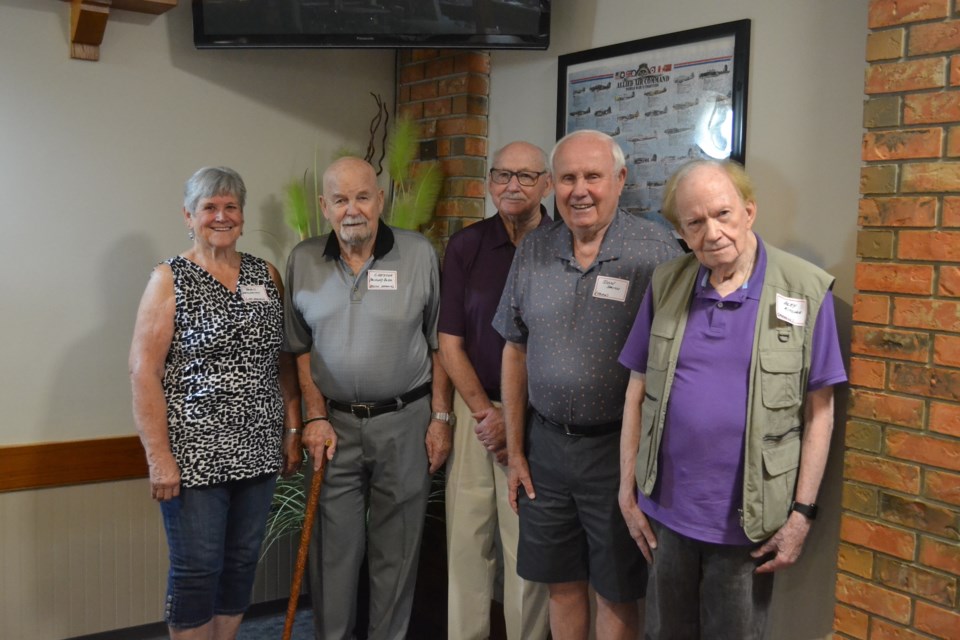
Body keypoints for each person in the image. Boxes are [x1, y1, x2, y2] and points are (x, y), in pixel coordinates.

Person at [618, 159, 847, 639]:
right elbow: (637, 391)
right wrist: (627, 490)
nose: (712, 232)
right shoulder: (666, 283)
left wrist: (802, 515)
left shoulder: (804, 290)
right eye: (694, 222)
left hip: (748, 523)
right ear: (680, 231)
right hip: (665, 514)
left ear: (749, 211)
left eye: (723, 214)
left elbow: (820, 412)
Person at [492, 130, 681, 640]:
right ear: (553, 185)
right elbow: (514, 348)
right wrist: (516, 451)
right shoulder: (535, 248)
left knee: (618, 590)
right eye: (569, 178)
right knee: (561, 581)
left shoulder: (655, 250)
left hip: (616, 451)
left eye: (593, 177)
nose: (581, 190)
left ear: (619, 180)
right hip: (546, 446)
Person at [129, 166, 303, 640]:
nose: (221, 217)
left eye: (230, 207)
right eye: (210, 208)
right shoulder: (170, 278)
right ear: (189, 215)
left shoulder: (264, 274)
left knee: (241, 562)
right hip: (194, 455)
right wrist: (158, 456)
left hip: (260, 449)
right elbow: (144, 371)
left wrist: (292, 427)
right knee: (197, 569)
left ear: (242, 217)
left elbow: (283, 358)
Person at [283, 156, 453, 640]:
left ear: (380, 199)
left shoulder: (420, 254)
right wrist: (313, 416)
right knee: (333, 551)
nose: (352, 210)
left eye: (362, 197)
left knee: (396, 550)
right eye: (340, 200)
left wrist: (441, 417)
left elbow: (441, 341)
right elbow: (298, 348)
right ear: (324, 206)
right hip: (333, 427)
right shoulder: (302, 260)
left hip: (406, 420)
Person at [439, 141, 552, 640]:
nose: (513, 186)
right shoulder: (467, 246)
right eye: (503, 175)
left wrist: (514, 423)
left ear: (546, 184)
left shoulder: (564, 244)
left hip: (538, 420)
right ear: (489, 182)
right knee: (467, 542)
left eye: (526, 177)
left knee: (525, 547)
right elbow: (449, 342)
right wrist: (486, 415)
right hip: (476, 415)